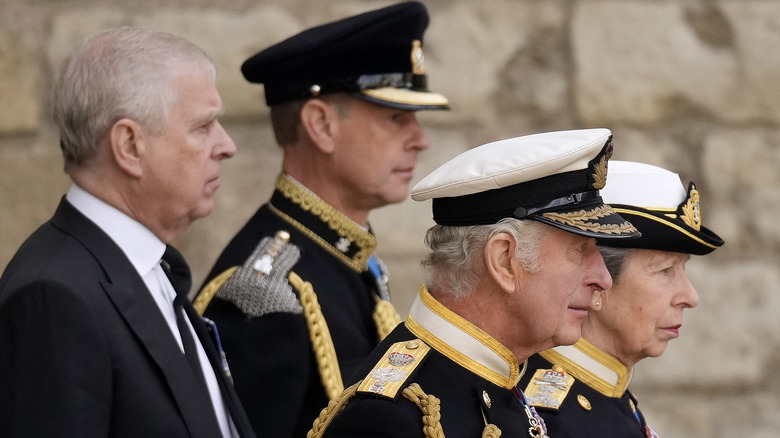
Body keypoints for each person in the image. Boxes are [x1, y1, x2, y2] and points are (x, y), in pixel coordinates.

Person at [192, 2, 450, 437]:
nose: (420, 140)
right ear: (321, 125)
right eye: (395, 118)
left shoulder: (344, 259)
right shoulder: (267, 294)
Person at [0, 27, 256, 437]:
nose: (226, 145)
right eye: (203, 126)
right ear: (130, 146)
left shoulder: (150, 266)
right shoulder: (54, 296)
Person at [305, 128, 641, 437]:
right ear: (504, 261)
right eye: (580, 250)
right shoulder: (392, 420)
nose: (603, 278)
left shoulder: (500, 381)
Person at [519, 161, 725, 437]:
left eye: (682, 268)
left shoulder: (610, 394)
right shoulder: (545, 418)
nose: (690, 297)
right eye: (664, 270)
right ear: (597, 282)